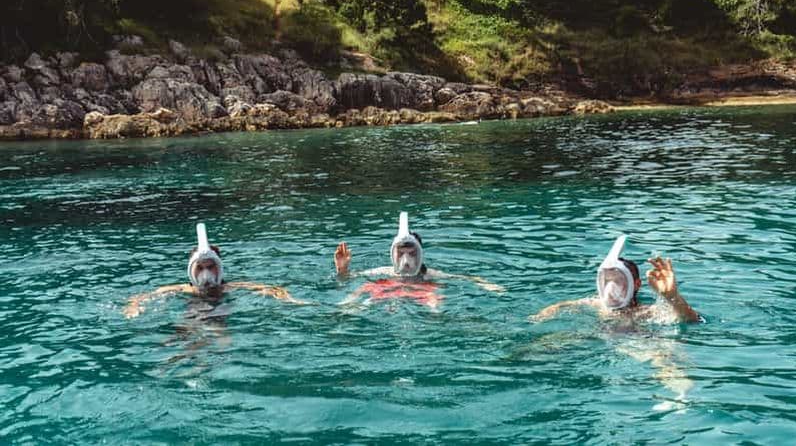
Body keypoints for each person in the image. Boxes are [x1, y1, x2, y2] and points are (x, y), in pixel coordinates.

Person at [124, 223, 305, 318]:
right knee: (180, 338)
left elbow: (273, 288)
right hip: (192, 314)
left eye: (210, 267)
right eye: (200, 268)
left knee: (218, 340)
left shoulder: (229, 287)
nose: (206, 273)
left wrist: (287, 298)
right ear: (191, 270)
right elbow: (143, 296)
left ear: (219, 268)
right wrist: (133, 307)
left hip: (219, 315)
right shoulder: (183, 289)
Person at [334, 212, 505, 309]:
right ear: (393, 254)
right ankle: (342, 312)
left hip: (421, 291)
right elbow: (347, 279)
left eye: (412, 253)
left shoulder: (430, 274)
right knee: (363, 291)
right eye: (401, 253)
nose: (406, 259)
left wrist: (487, 284)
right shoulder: (386, 272)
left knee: (435, 303)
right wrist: (342, 270)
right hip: (390, 291)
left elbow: (465, 278)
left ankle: (435, 319)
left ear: (421, 254)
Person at [530, 235, 700, 323]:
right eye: (607, 280)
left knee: (662, 357)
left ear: (636, 285)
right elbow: (564, 305)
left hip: (637, 341)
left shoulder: (645, 312)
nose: (611, 287)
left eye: (619, 281)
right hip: (597, 337)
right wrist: (546, 313)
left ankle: (678, 386)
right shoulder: (597, 304)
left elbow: (691, 320)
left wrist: (672, 296)